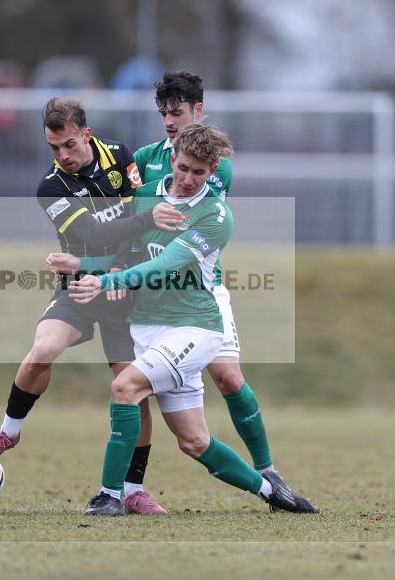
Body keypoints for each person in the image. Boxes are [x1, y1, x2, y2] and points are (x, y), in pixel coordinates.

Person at [69, 124, 315, 515]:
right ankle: (271, 493)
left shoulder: (215, 214)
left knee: (124, 387)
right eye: (183, 168)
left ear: (212, 170)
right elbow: (128, 251)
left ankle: (110, 496)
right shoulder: (147, 195)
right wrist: (87, 266)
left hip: (194, 328)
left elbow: (166, 264)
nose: (187, 180)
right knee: (194, 441)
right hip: (148, 327)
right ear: (172, 158)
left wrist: (109, 283)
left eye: (199, 173)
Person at [131, 70, 314, 513]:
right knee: (134, 391)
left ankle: (268, 472)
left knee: (229, 377)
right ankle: (128, 487)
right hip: (152, 298)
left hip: (200, 292)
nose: (170, 122)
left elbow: (190, 220)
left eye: (177, 112)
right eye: (163, 114)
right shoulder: (142, 157)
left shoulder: (216, 165)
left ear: (198, 111)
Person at [0, 97, 186, 459]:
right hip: (80, 286)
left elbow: (132, 222)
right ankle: (8, 432)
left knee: (132, 392)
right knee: (43, 348)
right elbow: (94, 230)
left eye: (69, 144)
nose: (62, 154)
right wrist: (146, 222)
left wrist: (119, 268)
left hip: (121, 289)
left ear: (86, 134)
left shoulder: (120, 155)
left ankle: (133, 491)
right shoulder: (51, 187)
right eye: (53, 147)